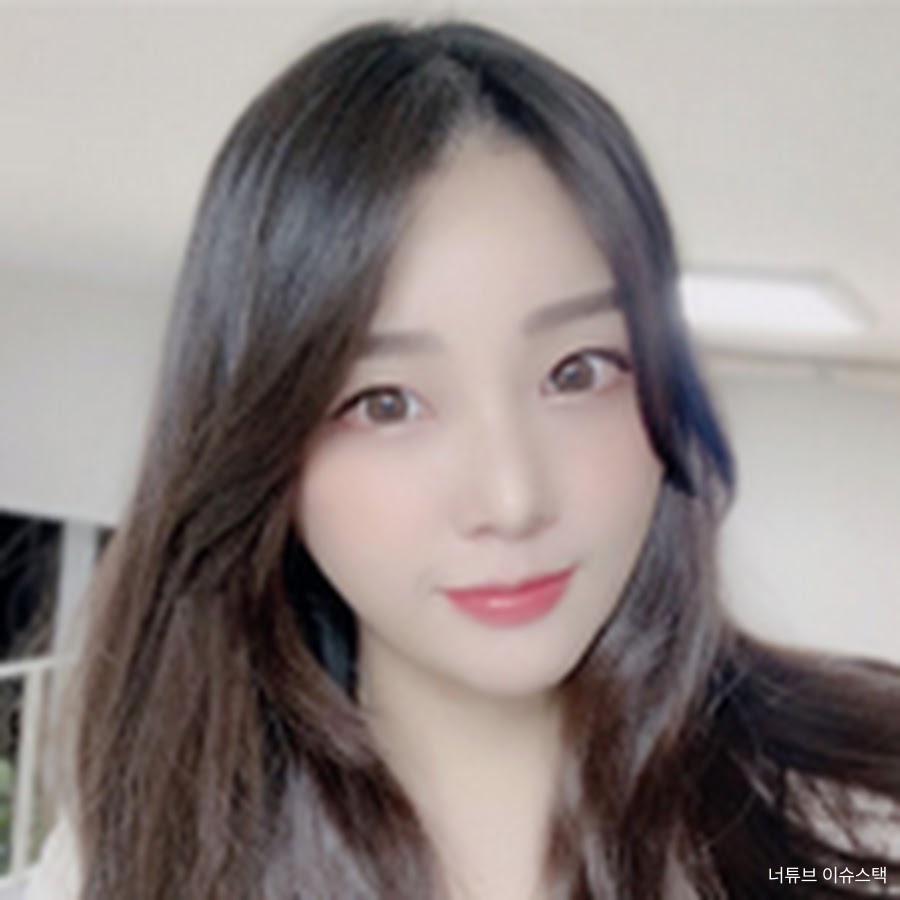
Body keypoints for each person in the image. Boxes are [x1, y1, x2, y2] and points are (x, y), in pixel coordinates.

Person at [25, 18, 900, 900]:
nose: (512, 500)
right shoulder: (140, 870)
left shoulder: (846, 831)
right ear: (261, 444)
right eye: (386, 403)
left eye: (577, 372)